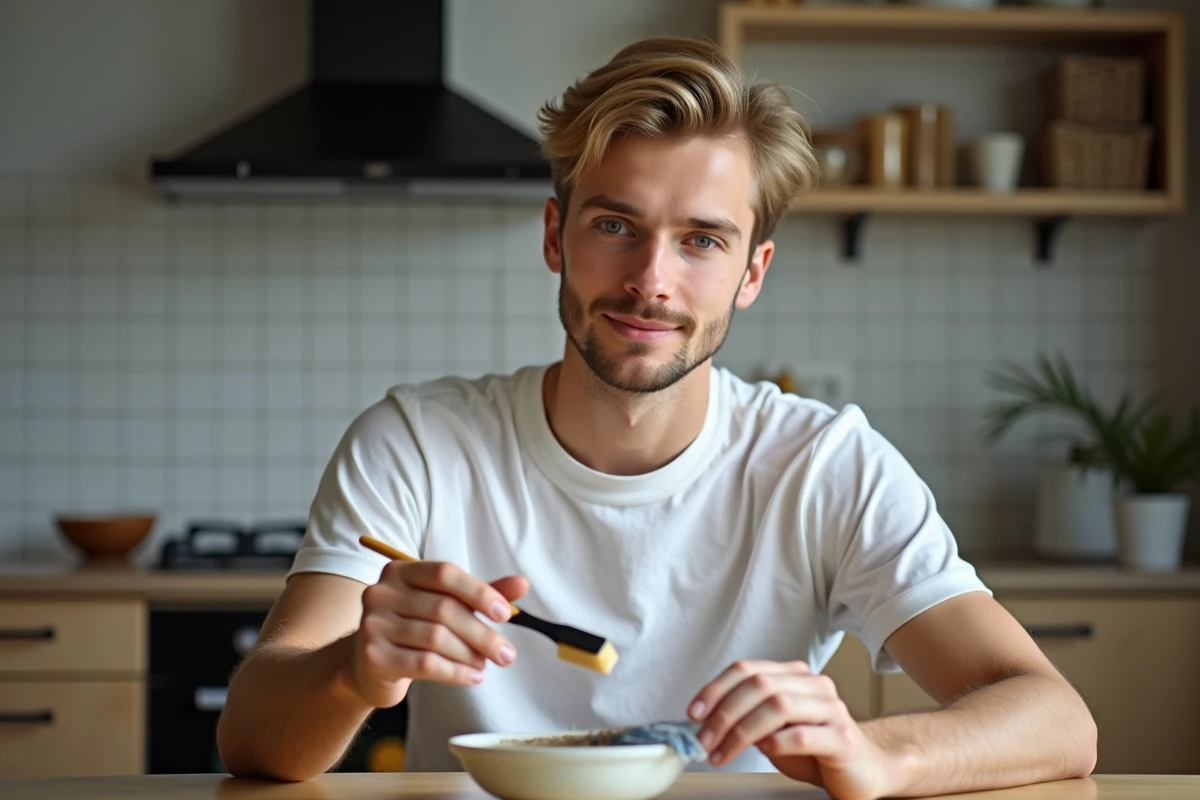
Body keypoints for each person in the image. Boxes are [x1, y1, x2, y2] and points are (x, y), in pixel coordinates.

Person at [217, 36, 1097, 799]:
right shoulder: (417, 443)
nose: (651, 280)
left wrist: (875, 751)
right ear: (556, 236)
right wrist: (357, 670)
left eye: (703, 240)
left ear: (753, 272)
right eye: (615, 225)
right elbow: (252, 742)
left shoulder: (827, 465)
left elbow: (1056, 720)